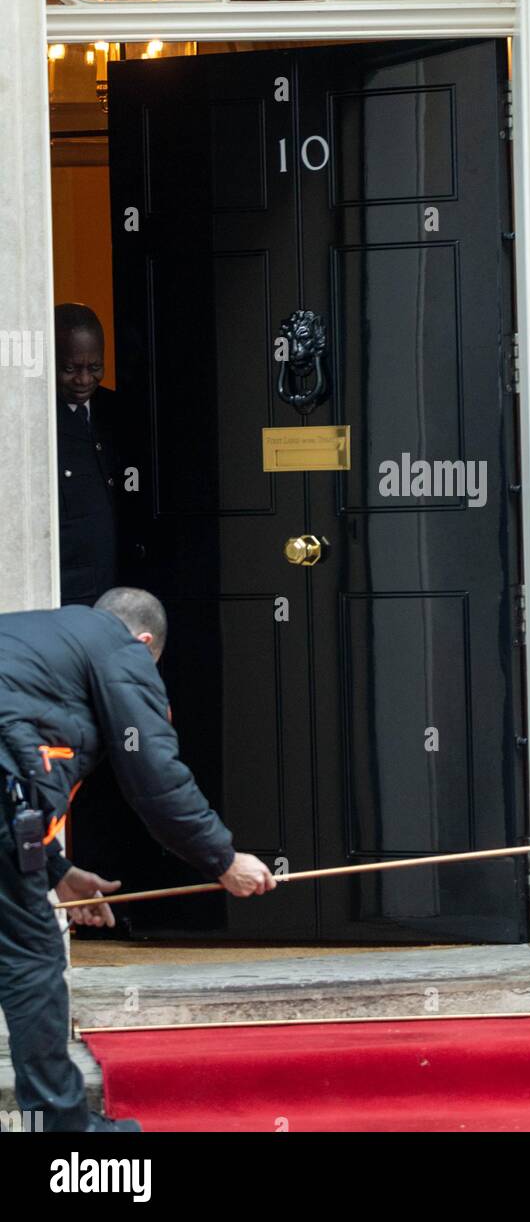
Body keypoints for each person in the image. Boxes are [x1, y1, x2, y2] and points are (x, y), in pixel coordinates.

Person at [0, 588, 276, 1133]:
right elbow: (153, 775)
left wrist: (60, 873)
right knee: (32, 965)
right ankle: (63, 1136)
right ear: (144, 642)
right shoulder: (120, 651)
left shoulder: (35, 637)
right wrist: (222, 859)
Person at [55, 304, 120, 606]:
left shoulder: (119, 411)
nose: (83, 380)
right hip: (71, 595)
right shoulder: (34, 420)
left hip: (122, 584)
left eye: (94, 367)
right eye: (70, 369)